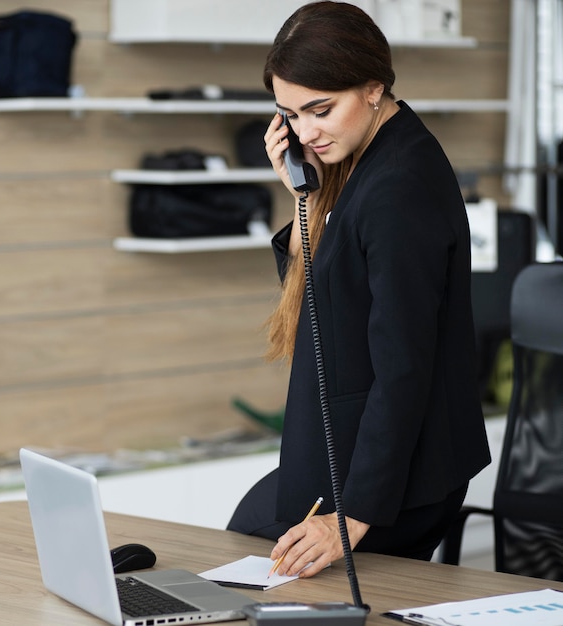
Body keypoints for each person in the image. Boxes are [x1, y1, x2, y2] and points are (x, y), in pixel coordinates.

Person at [226, 1, 491, 579]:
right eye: (290, 115)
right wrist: (303, 195)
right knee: (244, 535)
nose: (305, 132)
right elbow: (326, 301)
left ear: (374, 87)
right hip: (346, 436)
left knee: (254, 556)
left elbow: (405, 368)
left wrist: (352, 517)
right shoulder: (362, 159)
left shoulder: (398, 189)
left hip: (393, 475)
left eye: (320, 110)